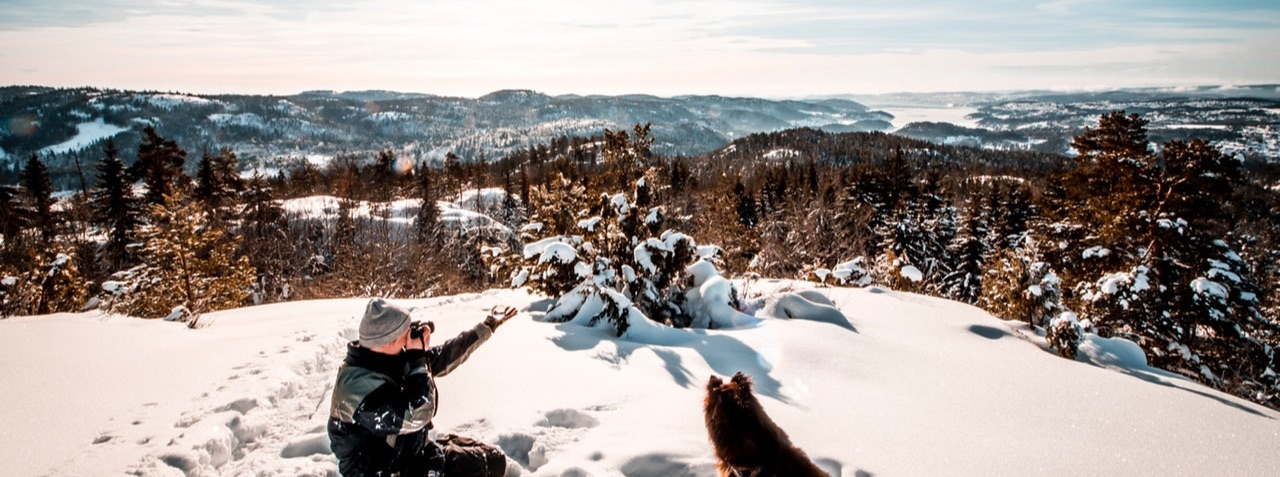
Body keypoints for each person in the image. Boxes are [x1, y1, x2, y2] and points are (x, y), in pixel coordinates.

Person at [329, 298, 517, 477]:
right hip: (390, 470)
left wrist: (487, 326)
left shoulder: (381, 359)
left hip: (409, 453)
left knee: (492, 457)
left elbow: (443, 356)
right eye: (405, 334)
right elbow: (419, 412)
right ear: (389, 341)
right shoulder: (358, 392)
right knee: (490, 464)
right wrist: (417, 357)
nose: (408, 339)